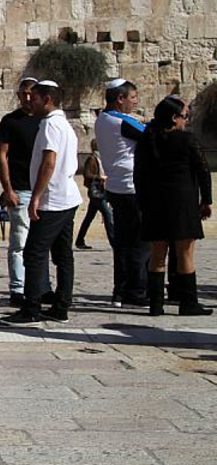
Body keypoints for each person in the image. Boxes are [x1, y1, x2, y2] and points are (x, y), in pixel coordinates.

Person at [1, 81, 80, 326]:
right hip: (68, 197)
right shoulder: (64, 124)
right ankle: (61, 306)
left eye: (33, 98)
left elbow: (49, 162)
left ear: (47, 99)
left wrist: (36, 197)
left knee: (33, 253)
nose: (28, 102)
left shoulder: (49, 125)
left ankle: (32, 306)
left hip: (53, 200)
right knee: (63, 255)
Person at [135, 96, 212, 316]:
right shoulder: (186, 140)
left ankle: (156, 305)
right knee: (185, 254)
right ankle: (188, 303)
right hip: (182, 204)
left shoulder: (147, 140)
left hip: (154, 204)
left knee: (157, 255)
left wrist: (142, 202)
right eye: (184, 116)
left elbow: (138, 175)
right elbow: (203, 171)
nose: (186, 121)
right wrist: (206, 201)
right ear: (173, 117)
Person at [95, 78, 149, 308]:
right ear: (120, 99)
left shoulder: (102, 119)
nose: (135, 102)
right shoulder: (121, 121)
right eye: (133, 97)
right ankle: (136, 292)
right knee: (140, 243)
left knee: (124, 242)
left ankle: (121, 290)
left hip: (116, 187)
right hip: (132, 187)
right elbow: (152, 135)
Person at [0, 76, 40, 307]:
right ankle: (18, 289)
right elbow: (1, 156)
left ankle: (41, 287)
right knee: (19, 241)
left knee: (41, 243)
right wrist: (7, 190)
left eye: (31, 93)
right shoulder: (10, 122)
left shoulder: (46, 121)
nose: (27, 97)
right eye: (23, 93)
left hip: (44, 192)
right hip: (20, 190)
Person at [76, 138, 113, 250]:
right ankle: (114, 241)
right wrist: (99, 177)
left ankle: (79, 240)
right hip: (96, 192)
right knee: (108, 216)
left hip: (100, 191)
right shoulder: (92, 159)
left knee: (89, 217)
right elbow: (87, 174)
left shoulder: (101, 159)